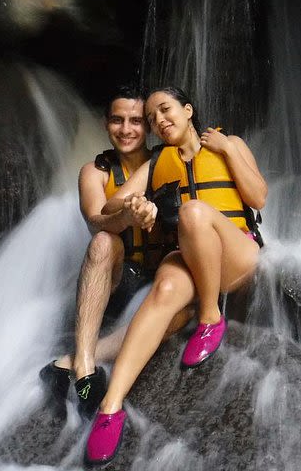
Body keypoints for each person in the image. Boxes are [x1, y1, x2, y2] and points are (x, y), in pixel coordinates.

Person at [83, 86, 267, 465]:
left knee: (193, 212)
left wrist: (230, 150)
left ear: (187, 111)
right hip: (190, 255)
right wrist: (137, 203)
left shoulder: (229, 142)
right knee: (164, 288)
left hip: (237, 251)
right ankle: (110, 408)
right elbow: (113, 204)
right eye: (151, 119)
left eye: (165, 111)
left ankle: (209, 318)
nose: (159, 121)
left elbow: (259, 197)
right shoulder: (157, 163)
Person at [39, 85, 193, 417]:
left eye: (136, 121)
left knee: (183, 311)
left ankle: (67, 361)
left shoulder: (166, 160)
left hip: (158, 281)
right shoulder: (94, 172)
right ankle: (83, 369)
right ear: (106, 123)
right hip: (118, 280)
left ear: (149, 126)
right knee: (104, 241)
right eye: (117, 120)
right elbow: (96, 222)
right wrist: (127, 215)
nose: (126, 130)